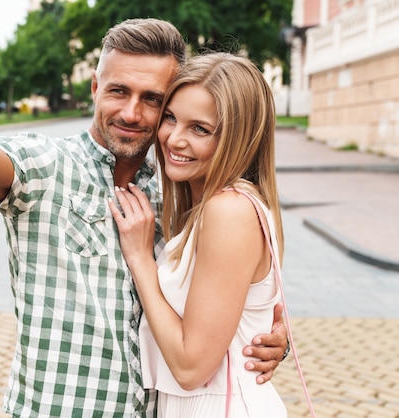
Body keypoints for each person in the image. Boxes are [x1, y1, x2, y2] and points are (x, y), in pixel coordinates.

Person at [0, 18, 288, 417]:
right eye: (118, 91)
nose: (132, 113)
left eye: (152, 99)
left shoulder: (178, 190)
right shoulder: (44, 166)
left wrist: (266, 336)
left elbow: (223, 299)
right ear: (94, 88)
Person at [109, 52, 288, 417]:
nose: (174, 139)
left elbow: (191, 368)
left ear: (238, 139)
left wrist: (141, 260)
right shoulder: (217, 207)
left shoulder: (229, 211)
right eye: (171, 118)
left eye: (200, 129)